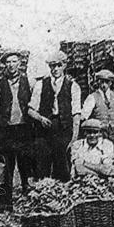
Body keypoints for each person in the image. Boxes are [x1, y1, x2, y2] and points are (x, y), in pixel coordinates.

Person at [0, 52, 46, 189]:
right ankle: (6, 201)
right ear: (5, 65)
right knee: (7, 164)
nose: (11, 65)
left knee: (25, 163)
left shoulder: (29, 82)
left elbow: (36, 102)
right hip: (6, 129)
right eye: (8, 62)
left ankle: (27, 194)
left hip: (24, 129)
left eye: (14, 62)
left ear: (19, 64)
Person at [70, 118, 114, 226]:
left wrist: (85, 163)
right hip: (80, 181)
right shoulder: (77, 145)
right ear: (85, 133)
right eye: (89, 132)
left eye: (95, 132)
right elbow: (79, 170)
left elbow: (107, 169)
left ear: (100, 133)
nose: (92, 136)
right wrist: (99, 170)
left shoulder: (107, 144)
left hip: (105, 180)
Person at [32, 52, 83, 181]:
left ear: (64, 66)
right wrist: (40, 118)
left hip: (64, 129)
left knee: (63, 164)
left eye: (58, 65)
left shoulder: (73, 86)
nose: (55, 69)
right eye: (52, 66)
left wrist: (74, 137)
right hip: (45, 129)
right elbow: (30, 110)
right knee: (43, 163)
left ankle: (62, 195)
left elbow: (76, 114)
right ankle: (43, 193)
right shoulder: (40, 84)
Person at [80, 70, 114, 186]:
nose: (104, 85)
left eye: (107, 82)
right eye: (101, 82)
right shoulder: (92, 97)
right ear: (98, 82)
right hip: (101, 134)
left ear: (111, 83)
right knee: (103, 162)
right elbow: (84, 117)